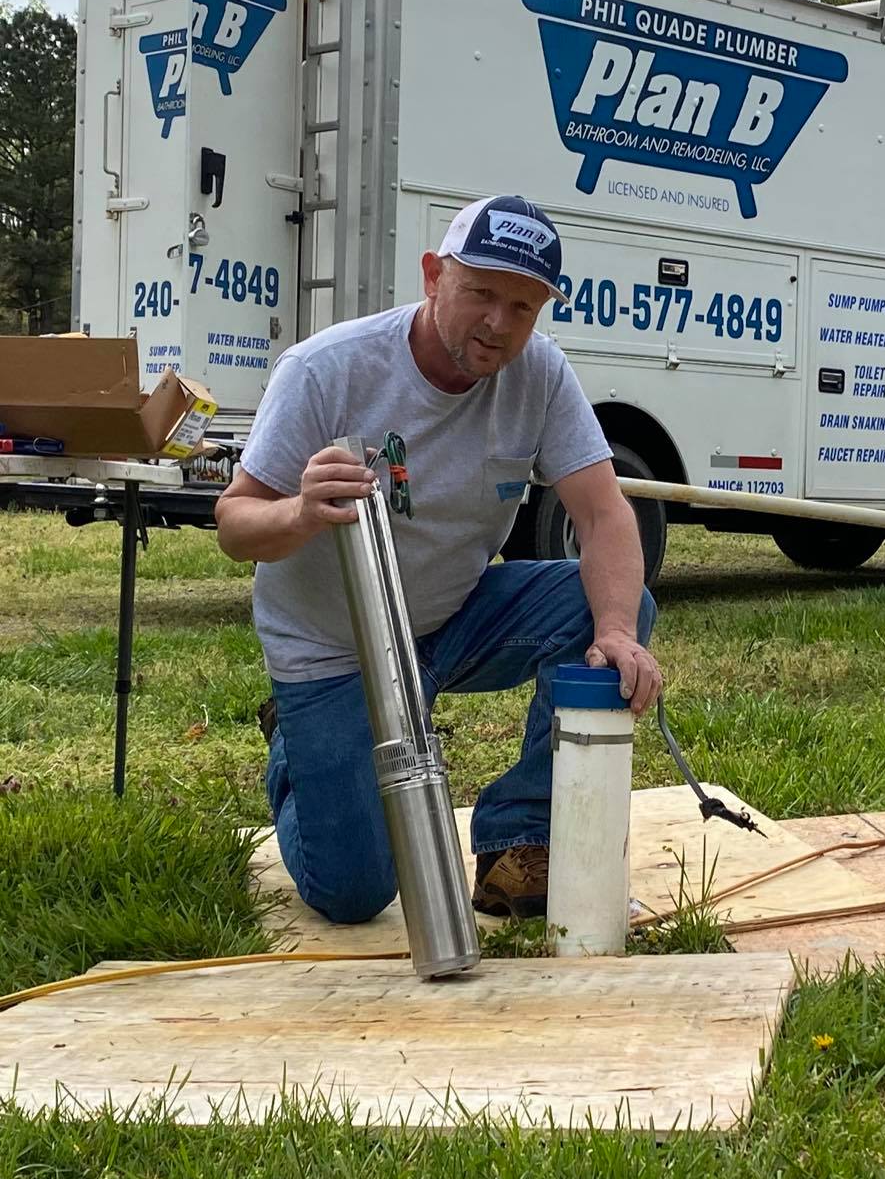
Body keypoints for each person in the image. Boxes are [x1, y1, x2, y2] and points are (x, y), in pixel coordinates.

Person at [216, 194, 662, 923]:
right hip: (337, 646)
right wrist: (298, 513)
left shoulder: (541, 376)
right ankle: (299, 756)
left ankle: (519, 837)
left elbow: (605, 513)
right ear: (433, 275)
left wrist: (613, 629)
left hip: (450, 617)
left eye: (523, 307)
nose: (498, 324)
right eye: (481, 294)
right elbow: (234, 523)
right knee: (354, 892)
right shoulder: (328, 370)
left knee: (617, 608)